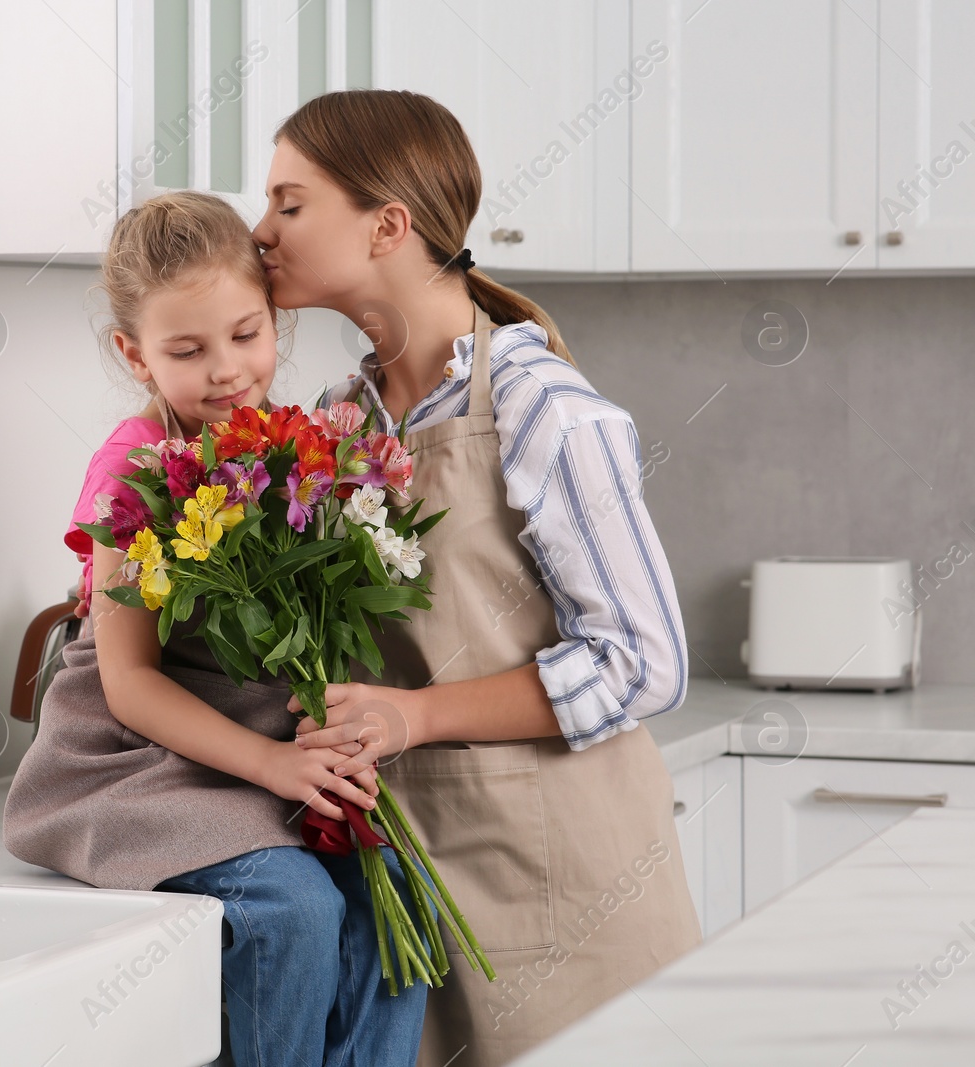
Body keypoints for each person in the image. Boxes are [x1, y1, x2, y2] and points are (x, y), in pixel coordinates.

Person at [254, 90, 703, 1067]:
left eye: (289, 204)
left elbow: (643, 661)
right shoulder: (338, 418)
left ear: (387, 224)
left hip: (567, 886)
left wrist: (411, 716)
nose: (261, 232)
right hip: (413, 886)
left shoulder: (540, 406)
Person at [2, 189, 429, 1066]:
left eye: (247, 334)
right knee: (296, 910)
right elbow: (128, 682)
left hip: (249, 752)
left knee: (401, 900)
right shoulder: (135, 464)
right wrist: (275, 761)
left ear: (275, 320)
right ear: (135, 355)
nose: (228, 369)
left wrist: (324, 730)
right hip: (135, 763)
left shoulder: (295, 440)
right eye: (187, 350)